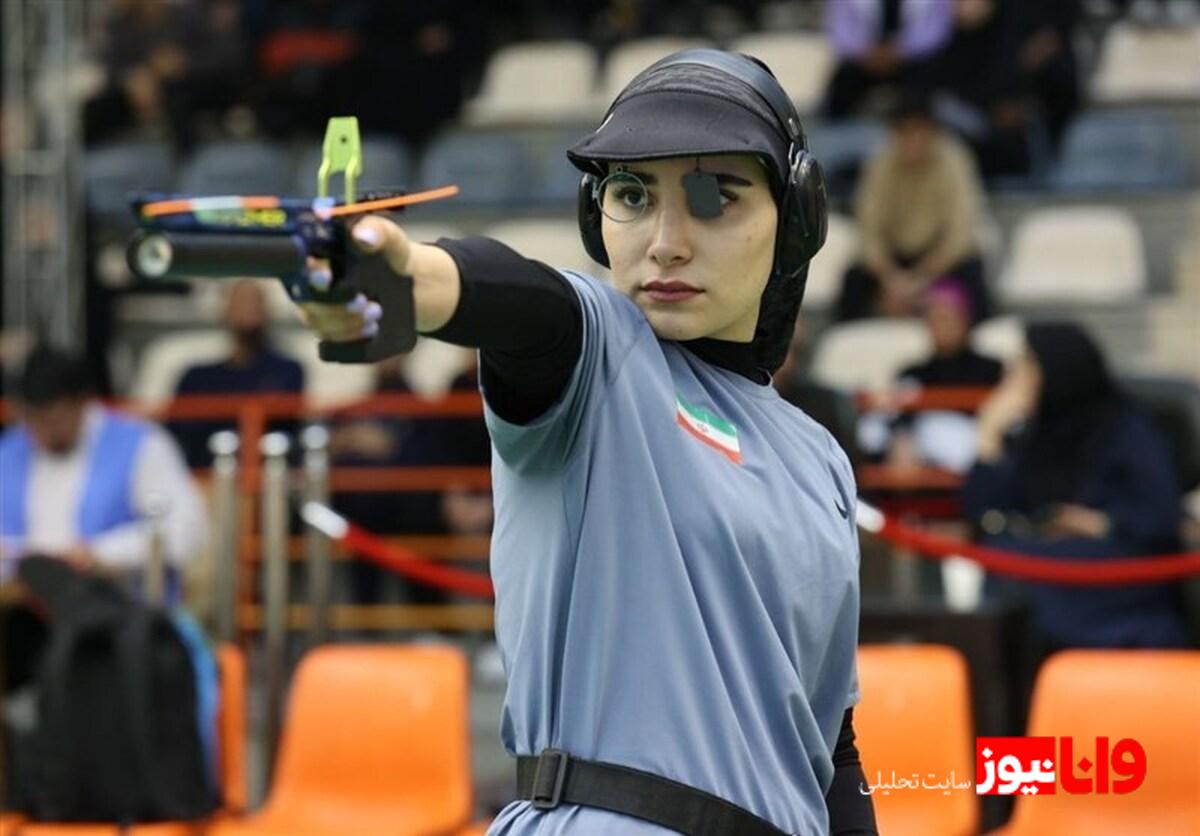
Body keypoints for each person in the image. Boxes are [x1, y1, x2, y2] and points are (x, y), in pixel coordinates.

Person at [297, 49, 874, 835]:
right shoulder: (602, 352)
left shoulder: (821, 458)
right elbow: (524, 303)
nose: (666, 241)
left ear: (795, 220)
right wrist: (402, 274)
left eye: (714, 195)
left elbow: (832, 745)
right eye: (632, 195)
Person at [962, 322, 1191, 652]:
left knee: (1017, 577)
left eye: (1026, 366)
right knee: (1001, 559)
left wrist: (1098, 523)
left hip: (1124, 568)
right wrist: (988, 435)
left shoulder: (1127, 431)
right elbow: (983, 512)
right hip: (1052, 556)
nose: (1014, 379)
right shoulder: (1037, 435)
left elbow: (1162, 519)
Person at [0, 345, 206, 603]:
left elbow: (183, 531)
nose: (41, 433)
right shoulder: (9, 450)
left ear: (82, 403)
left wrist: (101, 554)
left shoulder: (142, 444)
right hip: (20, 607)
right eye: (32, 420)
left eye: (54, 421)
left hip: (116, 607)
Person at [835, 94, 989, 323]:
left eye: (919, 130)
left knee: (973, 275)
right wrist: (890, 277)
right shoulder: (880, 162)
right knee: (853, 280)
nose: (912, 140)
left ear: (933, 131)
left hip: (939, 259)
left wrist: (921, 278)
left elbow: (960, 233)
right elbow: (869, 230)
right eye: (904, 131)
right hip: (893, 261)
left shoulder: (955, 161)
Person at [171, 280, 305, 467]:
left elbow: (285, 428)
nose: (248, 309)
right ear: (224, 309)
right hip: (204, 475)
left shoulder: (287, 371)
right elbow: (177, 433)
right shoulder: (196, 377)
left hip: (269, 474)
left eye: (255, 301)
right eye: (240, 301)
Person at [823, 0, 954, 117]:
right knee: (841, 91)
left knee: (924, 89)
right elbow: (839, 28)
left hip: (913, 59)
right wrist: (867, 52)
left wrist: (900, 51)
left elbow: (937, 29)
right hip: (864, 59)